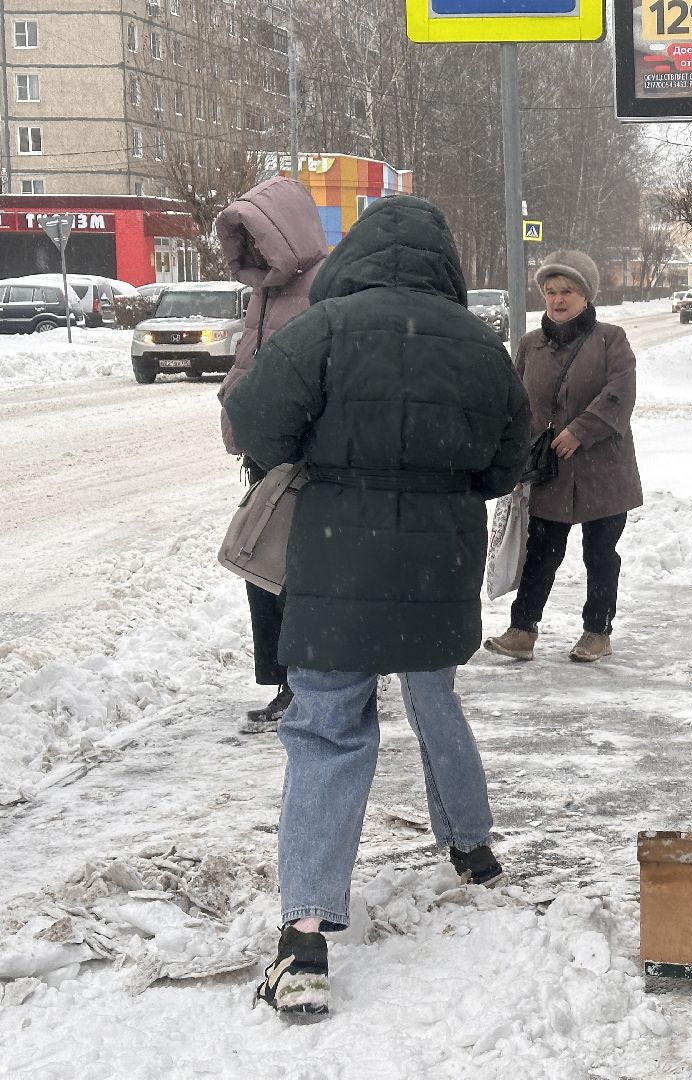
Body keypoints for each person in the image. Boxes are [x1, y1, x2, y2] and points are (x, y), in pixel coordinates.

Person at [223, 195, 530, 1020]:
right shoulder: (480, 344)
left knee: (327, 730)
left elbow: (252, 425)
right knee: (437, 703)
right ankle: (473, 851)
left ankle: (306, 941)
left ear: (356, 255)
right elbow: (507, 465)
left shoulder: (319, 331)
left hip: (335, 566)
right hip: (437, 568)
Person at [483, 250, 642, 664]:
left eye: (567, 291)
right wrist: (514, 457)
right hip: (548, 471)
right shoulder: (529, 345)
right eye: (551, 291)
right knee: (541, 551)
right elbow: (513, 405)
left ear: (586, 295)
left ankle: (597, 631)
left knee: (601, 553)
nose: (557, 299)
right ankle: (522, 630)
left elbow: (620, 395)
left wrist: (580, 430)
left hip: (603, 471)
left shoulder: (611, 339)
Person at [215, 176, 327, 736]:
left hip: (302, 461)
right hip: (266, 457)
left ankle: (303, 681)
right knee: (261, 568)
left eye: (257, 239)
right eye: (243, 242)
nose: (251, 252)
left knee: (286, 572)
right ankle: (288, 678)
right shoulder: (264, 292)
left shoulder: (324, 286)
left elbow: (318, 375)